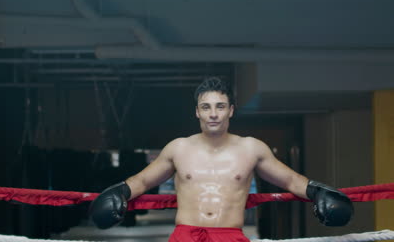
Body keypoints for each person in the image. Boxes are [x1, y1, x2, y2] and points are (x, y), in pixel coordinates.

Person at [89, 77, 354, 242]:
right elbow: (144, 180)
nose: (213, 114)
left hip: (230, 236)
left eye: (220, 106)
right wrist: (120, 192)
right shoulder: (178, 148)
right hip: (186, 236)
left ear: (231, 110)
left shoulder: (252, 148)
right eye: (206, 107)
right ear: (197, 112)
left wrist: (318, 193)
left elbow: (291, 180)